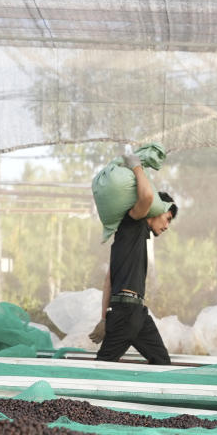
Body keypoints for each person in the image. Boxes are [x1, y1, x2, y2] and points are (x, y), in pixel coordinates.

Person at [88, 152, 178, 364]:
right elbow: (146, 197)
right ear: (158, 210)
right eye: (167, 219)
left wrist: (104, 319)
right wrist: (136, 166)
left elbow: (109, 279)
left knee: (162, 363)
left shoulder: (133, 238)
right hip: (125, 312)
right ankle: (73, 395)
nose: (166, 226)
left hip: (136, 312)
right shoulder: (132, 224)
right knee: (102, 367)